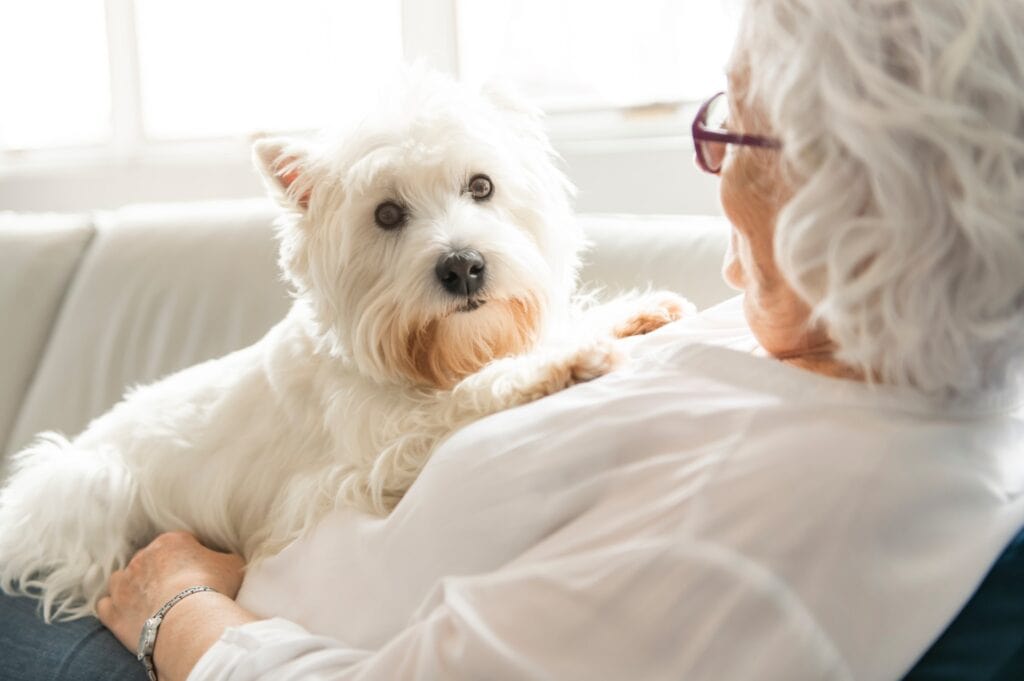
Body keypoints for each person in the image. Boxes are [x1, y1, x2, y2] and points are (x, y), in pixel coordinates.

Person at [3, 0, 1023, 678]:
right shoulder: (833, 352)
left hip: (161, 635)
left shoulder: (796, 518)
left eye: (729, 127)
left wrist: (172, 605)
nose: (711, 169)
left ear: (849, 194)